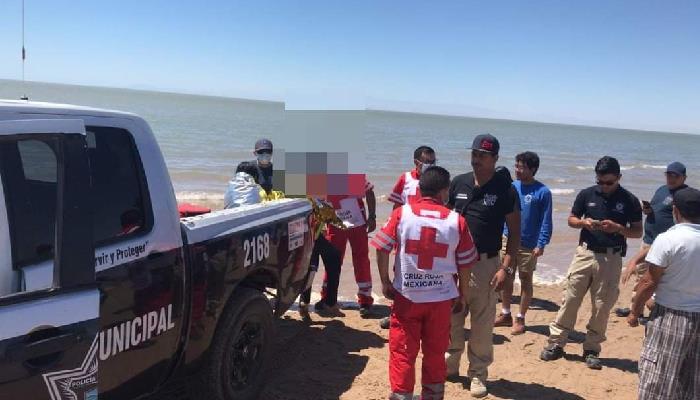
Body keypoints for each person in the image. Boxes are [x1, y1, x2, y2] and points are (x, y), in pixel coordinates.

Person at [371, 166, 477, 400]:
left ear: (420, 188)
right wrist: (463, 293)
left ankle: (401, 396)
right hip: (440, 300)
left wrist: (385, 281)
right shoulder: (456, 220)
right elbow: (466, 262)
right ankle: (432, 396)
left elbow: (381, 247)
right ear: (444, 191)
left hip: (407, 297)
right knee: (435, 353)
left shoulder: (402, 214)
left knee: (402, 352)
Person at [540, 156, 642, 369]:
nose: (604, 186)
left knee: (602, 306)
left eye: (609, 182)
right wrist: (583, 223)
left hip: (612, 257)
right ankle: (556, 343)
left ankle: (592, 349)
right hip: (585, 254)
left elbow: (638, 231)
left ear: (619, 178)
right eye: (600, 182)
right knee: (570, 298)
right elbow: (571, 219)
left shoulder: (630, 200)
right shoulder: (586, 194)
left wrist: (618, 228)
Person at [445, 133, 520, 398]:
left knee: (481, 324)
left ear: (495, 159)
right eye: (474, 154)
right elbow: (443, 220)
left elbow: (514, 233)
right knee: (452, 318)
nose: (476, 159)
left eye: (483, 155)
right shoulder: (459, 183)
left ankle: (477, 374)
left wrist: (506, 268)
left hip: (486, 264)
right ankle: (449, 367)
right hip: (453, 264)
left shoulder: (506, 190)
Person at [627, 186, 700, 400]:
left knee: (658, 377)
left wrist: (634, 311)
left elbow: (648, 282)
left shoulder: (669, 239)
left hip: (671, 315)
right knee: (691, 379)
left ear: (676, 211)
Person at [617, 162, 688, 316]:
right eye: (668, 174)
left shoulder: (684, 195)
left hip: (664, 244)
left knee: (655, 278)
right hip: (648, 239)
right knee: (641, 275)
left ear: (684, 177)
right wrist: (647, 210)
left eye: (675, 176)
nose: (671, 178)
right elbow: (655, 209)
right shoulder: (662, 190)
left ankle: (649, 310)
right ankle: (635, 309)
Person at [495, 152, 553, 335]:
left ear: (533, 169)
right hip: (508, 239)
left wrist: (541, 243)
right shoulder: (512, 187)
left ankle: (520, 317)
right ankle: (505, 314)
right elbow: (502, 213)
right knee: (507, 276)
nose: (517, 170)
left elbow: (546, 220)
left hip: (529, 244)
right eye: (516, 166)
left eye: (522, 167)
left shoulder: (543, 192)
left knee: (526, 280)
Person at [322, 180, 377, 316]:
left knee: (361, 260)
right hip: (335, 224)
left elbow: (369, 192)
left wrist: (372, 217)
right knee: (332, 261)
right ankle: (327, 298)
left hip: (357, 223)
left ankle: (365, 300)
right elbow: (318, 202)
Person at [299, 199, 344, 321]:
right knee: (311, 266)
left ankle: (329, 303)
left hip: (316, 232)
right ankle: (304, 305)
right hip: (303, 233)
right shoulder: (297, 183)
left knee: (334, 256)